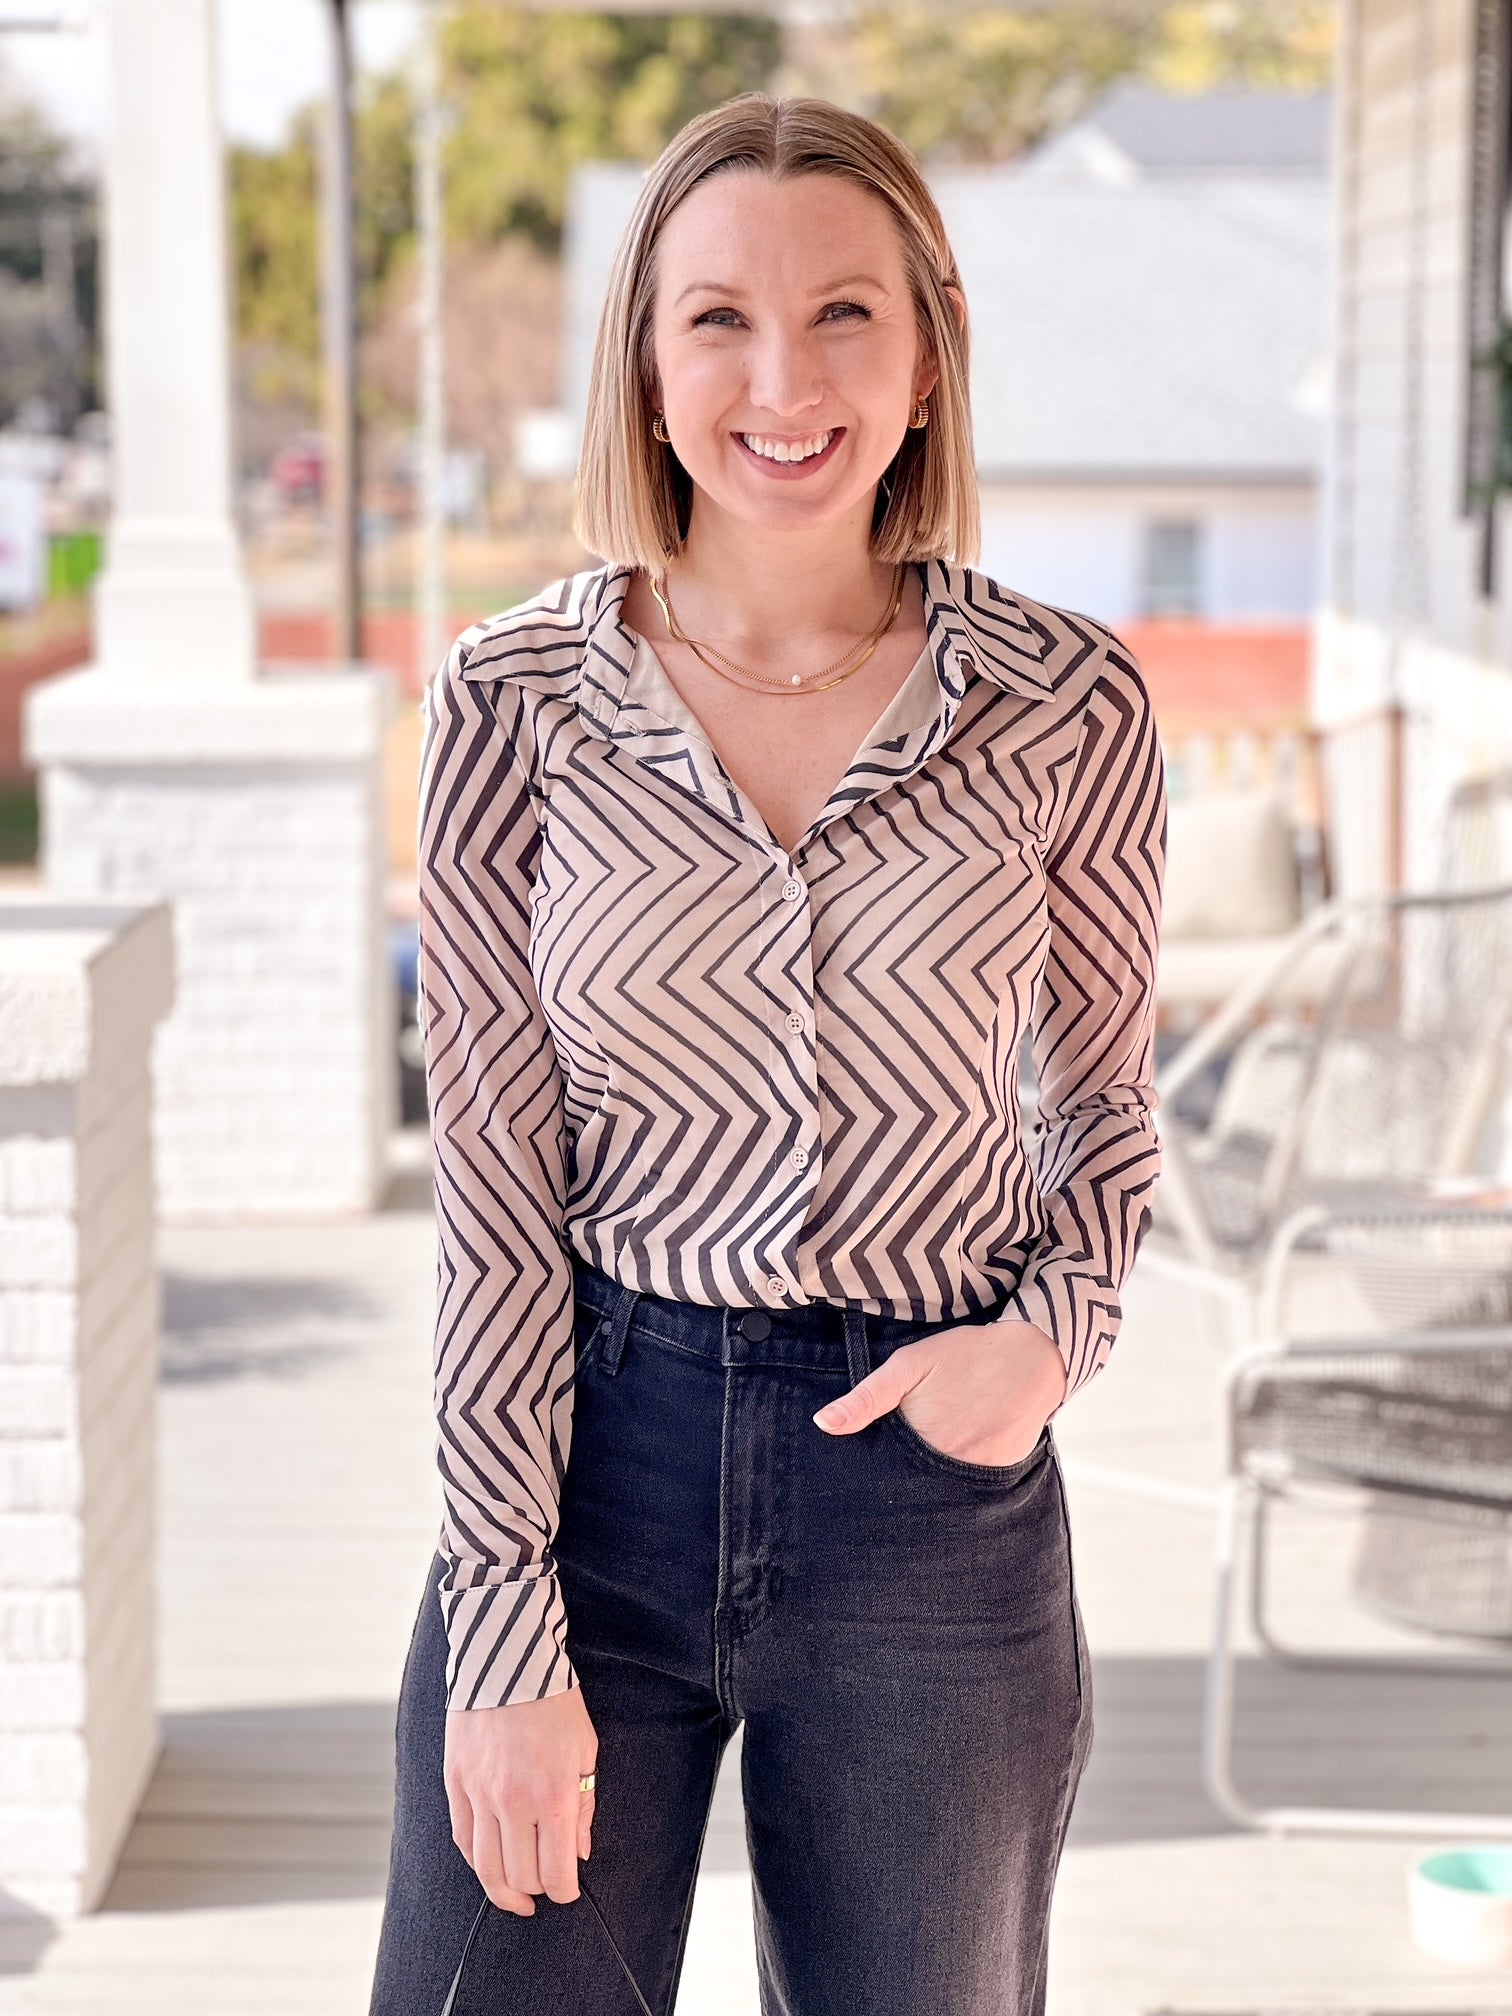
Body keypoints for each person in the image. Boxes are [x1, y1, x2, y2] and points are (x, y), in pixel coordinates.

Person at [369, 90, 1166, 2016]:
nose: (780, 377)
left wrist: (1048, 1344)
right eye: (718, 316)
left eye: (844, 316)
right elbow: (495, 1198)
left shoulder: (1067, 702)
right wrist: (500, 1617)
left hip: (927, 1502)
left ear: (926, 352)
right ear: (646, 363)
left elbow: (1114, 1112)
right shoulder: (514, 703)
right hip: (596, 1463)